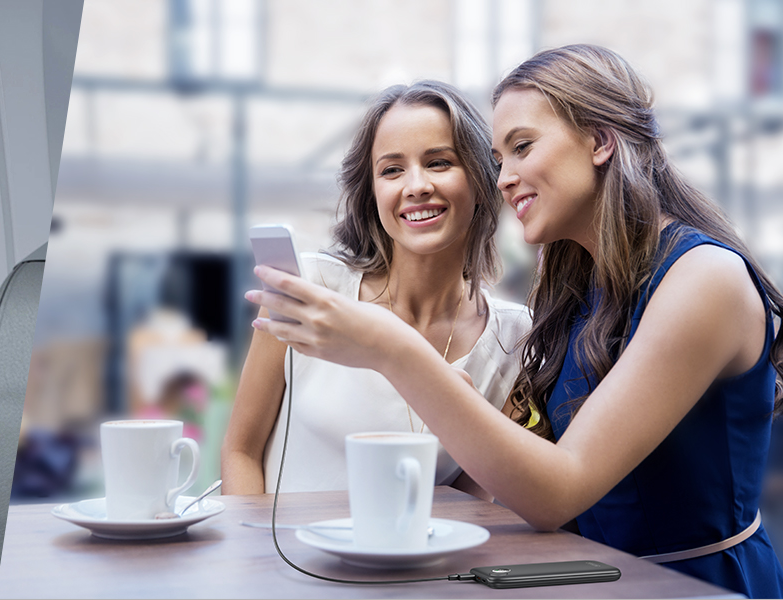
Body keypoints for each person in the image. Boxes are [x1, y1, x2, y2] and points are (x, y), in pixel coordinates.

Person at [246, 44, 783, 597]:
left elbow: (558, 490)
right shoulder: (579, 293)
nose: (504, 178)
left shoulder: (704, 279)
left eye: (522, 147)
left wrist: (393, 350)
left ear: (600, 141)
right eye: (499, 159)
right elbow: (514, 484)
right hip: (590, 580)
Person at [222, 81, 530, 497]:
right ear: (372, 193)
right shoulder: (309, 289)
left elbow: (471, 501)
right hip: (281, 559)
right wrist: (254, 558)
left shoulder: (517, 339)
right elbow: (241, 451)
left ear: (481, 178)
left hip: (416, 560)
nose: (415, 185)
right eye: (391, 169)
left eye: (439, 162)